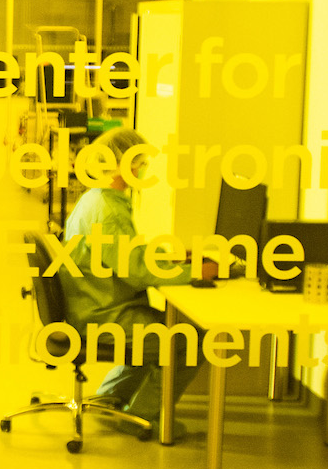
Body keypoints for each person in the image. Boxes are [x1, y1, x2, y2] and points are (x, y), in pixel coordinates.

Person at [60, 128, 202, 441]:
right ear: (124, 165)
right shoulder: (109, 210)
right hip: (104, 315)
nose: (142, 169)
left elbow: (127, 255)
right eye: (139, 162)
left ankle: (109, 399)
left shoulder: (97, 199)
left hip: (95, 306)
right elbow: (136, 272)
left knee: (159, 333)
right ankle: (142, 416)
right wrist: (196, 273)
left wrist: (171, 257)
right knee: (189, 340)